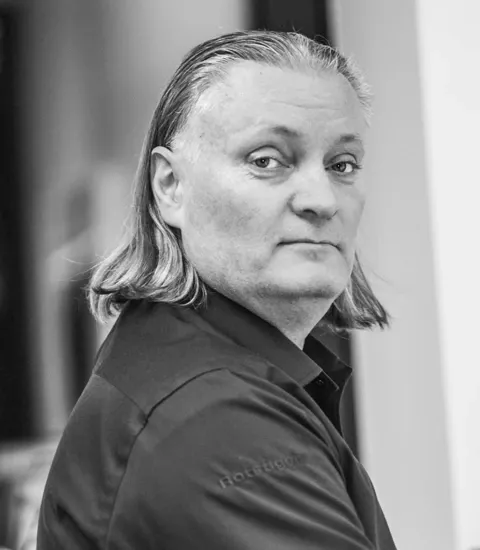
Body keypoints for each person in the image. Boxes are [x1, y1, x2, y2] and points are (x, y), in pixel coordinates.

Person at [37, 30, 396, 549]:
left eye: (342, 165)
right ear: (170, 186)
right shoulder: (218, 419)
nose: (322, 200)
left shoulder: (187, 363)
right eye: (267, 160)